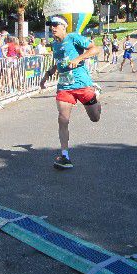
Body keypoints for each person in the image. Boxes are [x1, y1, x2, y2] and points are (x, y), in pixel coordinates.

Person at [39, 15, 101, 169]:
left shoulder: (73, 38)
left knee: (95, 118)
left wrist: (78, 59)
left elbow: (95, 49)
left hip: (82, 84)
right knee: (62, 119)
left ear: (63, 26)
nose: (52, 28)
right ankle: (65, 155)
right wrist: (48, 74)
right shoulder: (55, 45)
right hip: (65, 87)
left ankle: (96, 95)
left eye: (55, 25)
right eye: (50, 26)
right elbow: (59, 63)